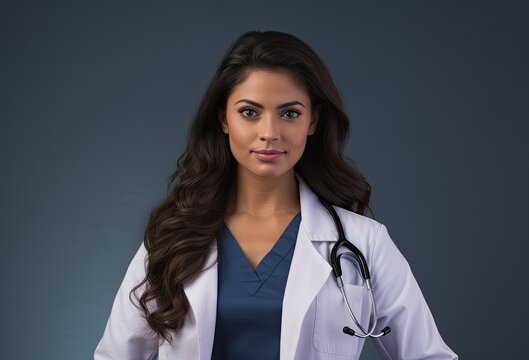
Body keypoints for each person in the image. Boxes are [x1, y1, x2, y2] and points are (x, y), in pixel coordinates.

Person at [94, 30, 458, 360]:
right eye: (250, 112)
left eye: (289, 113)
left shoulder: (364, 243)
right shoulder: (171, 237)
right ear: (224, 119)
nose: (269, 132)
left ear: (312, 121)